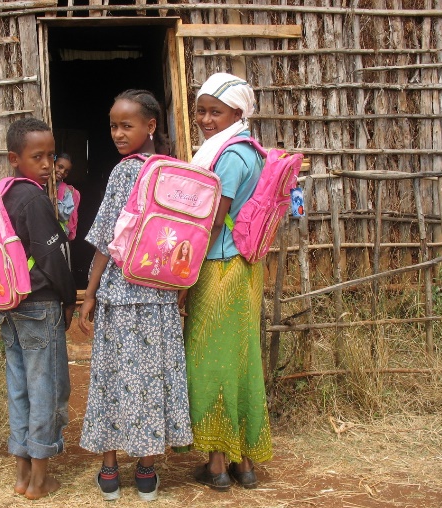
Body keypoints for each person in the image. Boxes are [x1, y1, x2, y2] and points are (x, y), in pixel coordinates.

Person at [78, 89, 193, 502]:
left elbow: (106, 240)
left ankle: (110, 468)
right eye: (113, 125)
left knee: (111, 377)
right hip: (160, 295)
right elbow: (187, 238)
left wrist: (89, 294)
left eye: (127, 125)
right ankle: (145, 468)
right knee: (151, 380)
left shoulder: (125, 172)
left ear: (151, 126)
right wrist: (182, 288)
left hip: (122, 296)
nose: (118, 133)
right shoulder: (175, 173)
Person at [176, 73, 272, 491]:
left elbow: (216, 219)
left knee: (210, 358)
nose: (206, 119)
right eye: (201, 110)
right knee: (241, 359)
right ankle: (243, 462)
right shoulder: (253, 151)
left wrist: (185, 274)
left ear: (239, 113)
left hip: (219, 267)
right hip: (246, 268)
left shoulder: (229, 155)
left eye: (216, 111)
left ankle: (217, 462)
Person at [0, 118, 77, 500]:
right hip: (40, 305)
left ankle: (22, 473)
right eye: (37, 156)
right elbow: (54, 257)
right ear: (15, 158)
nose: (47, 164)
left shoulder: (3, 196)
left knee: (20, 389)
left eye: (50, 155)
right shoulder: (34, 200)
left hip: (10, 305)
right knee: (46, 389)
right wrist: (67, 298)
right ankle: (41, 479)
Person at [55, 153, 81, 241]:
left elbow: (65, 214)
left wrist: (53, 200)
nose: (62, 172)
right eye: (60, 167)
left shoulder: (66, 191)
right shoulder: (40, 184)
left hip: (57, 236)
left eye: (66, 171)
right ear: (52, 164)